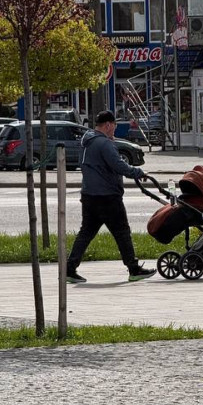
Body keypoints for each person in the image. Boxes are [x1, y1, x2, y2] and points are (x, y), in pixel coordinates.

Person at [66, 110, 155, 284]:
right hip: (107, 196)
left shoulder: (87, 141)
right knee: (122, 232)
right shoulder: (104, 144)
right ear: (108, 125)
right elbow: (118, 165)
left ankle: (69, 269)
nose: (114, 129)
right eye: (113, 126)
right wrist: (137, 172)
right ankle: (133, 268)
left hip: (89, 195)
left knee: (86, 232)